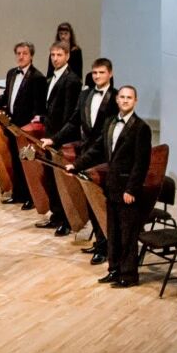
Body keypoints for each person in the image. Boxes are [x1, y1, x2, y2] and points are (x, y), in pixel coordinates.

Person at [67, 85, 152, 288]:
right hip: (112, 186)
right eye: (122, 97)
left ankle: (128, 275)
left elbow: (141, 163)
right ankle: (114, 270)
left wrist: (131, 189)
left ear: (135, 101)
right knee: (113, 232)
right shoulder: (110, 122)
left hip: (127, 190)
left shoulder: (141, 128)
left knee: (127, 235)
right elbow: (97, 150)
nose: (125, 100)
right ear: (117, 100)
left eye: (129, 97)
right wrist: (76, 165)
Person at [45, 58, 117, 264]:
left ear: (110, 74)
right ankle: (100, 241)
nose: (97, 76)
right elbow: (74, 122)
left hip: (105, 156)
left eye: (101, 72)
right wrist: (54, 139)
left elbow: (108, 132)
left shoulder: (116, 98)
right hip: (86, 154)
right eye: (95, 73)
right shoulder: (85, 95)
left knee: (102, 201)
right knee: (90, 199)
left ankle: (106, 245)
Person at [39, 41, 83, 236]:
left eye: (59, 55)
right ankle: (56, 215)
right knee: (51, 179)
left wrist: (56, 139)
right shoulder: (52, 77)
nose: (55, 58)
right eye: (53, 55)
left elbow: (69, 117)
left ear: (67, 56)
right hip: (51, 137)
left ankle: (67, 220)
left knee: (64, 182)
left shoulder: (72, 80)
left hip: (62, 140)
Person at [0, 41, 46, 208]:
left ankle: (31, 197)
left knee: (28, 163)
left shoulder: (38, 77)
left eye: (25, 53)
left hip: (26, 128)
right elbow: (6, 97)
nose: (21, 56)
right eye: (18, 53)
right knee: (15, 162)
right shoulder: (11, 73)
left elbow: (39, 105)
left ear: (31, 56)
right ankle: (18, 194)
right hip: (11, 125)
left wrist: (32, 126)